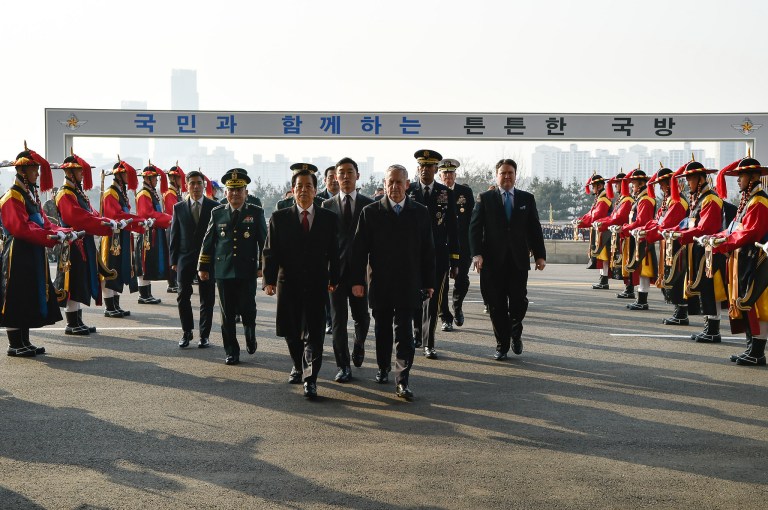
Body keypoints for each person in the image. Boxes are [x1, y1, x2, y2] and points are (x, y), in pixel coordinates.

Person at [351, 164, 435, 399]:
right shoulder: (371, 212)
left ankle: (402, 379)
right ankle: (382, 367)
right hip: (381, 283)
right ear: (385, 184)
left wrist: (429, 282)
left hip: (409, 283)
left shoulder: (420, 212)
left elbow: (428, 250)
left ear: (407, 184)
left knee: (405, 333)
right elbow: (359, 252)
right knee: (383, 330)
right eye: (390, 182)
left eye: (399, 182)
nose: (395, 186)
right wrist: (358, 281)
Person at [263, 163, 339, 398]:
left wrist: (334, 277)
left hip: (317, 283)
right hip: (289, 283)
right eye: (299, 186)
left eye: (308, 186)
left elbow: (335, 252)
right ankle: (297, 364)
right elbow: (270, 251)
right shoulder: (279, 218)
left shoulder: (328, 218)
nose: (303, 190)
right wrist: (269, 279)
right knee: (291, 330)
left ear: (316, 191)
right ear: (293, 190)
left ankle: (310, 378)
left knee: (315, 333)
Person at [469, 159, 546, 360]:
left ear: (515, 175)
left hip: (518, 261)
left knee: (519, 302)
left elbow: (534, 228)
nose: (507, 176)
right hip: (492, 262)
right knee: (496, 305)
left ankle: (515, 332)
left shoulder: (526, 199)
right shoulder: (485, 198)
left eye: (510, 173)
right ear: (497, 175)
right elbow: (475, 228)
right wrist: (476, 253)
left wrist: (540, 255)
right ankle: (502, 345)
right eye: (503, 173)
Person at [0, 144, 70, 356]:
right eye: (34, 170)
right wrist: (48, 237)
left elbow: (44, 223)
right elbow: (20, 227)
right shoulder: (12, 196)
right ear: (22, 171)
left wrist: (62, 231)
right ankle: (14, 344)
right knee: (16, 296)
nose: (37, 173)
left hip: (32, 250)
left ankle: (25, 341)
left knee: (28, 295)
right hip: (18, 252)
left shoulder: (30, 195)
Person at [199, 168, 266, 365]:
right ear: (226, 192)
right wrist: (203, 267)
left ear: (246, 192)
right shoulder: (217, 213)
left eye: (239, 190)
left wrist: (263, 266)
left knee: (248, 308)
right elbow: (208, 241)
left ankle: (250, 334)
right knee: (226, 313)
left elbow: (264, 243)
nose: (235, 194)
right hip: (223, 270)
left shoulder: (256, 212)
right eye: (231, 190)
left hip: (247, 270)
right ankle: (231, 351)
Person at [709, 155, 768, 366]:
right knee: (745, 302)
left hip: (756, 259)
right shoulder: (748, 201)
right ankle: (751, 348)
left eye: (741, 175)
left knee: (755, 303)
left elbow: (751, 232)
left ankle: (758, 351)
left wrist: (724, 244)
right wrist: (717, 237)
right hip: (743, 257)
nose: (738, 180)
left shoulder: (759, 201)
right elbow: (734, 228)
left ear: (753, 177)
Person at [54, 151, 120, 335]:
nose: (83, 174)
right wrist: (104, 225)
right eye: (80, 171)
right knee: (73, 282)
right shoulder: (65, 193)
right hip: (73, 244)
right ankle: (72, 323)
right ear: (70, 173)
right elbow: (78, 217)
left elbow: (92, 214)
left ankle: (78, 321)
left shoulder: (77, 193)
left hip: (83, 242)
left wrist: (105, 220)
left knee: (81, 280)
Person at [321, 157, 373, 383]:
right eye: (340, 173)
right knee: (338, 322)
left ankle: (359, 344)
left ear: (357, 176)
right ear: (335, 177)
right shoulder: (327, 205)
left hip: (361, 273)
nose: (345, 176)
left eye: (349, 172)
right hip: (336, 274)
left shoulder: (369, 205)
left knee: (362, 317)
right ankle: (343, 366)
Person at [664, 160, 725, 341]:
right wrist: (677, 232)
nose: (687, 182)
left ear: (700, 179)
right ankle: (709, 328)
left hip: (709, 251)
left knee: (711, 290)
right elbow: (690, 224)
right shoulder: (698, 199)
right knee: (705, 290)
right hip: (700, 249)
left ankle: (713, 330)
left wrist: (681, 235)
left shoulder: (710, 199)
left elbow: (704, 228)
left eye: (690, 179)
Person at [407, 149, 459, 359]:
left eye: (429, 166)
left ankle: (429, 342)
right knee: (414, 297)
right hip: (412, 255)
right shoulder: (408, 190)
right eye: (422, 166)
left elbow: (453, 228)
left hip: (437, 255)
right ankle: (417, 334)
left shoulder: (446, 193)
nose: (425, 170)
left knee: (433, 298)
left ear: (436, 169)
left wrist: (455, 259)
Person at [170, 170, 219, 349]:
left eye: (199, 183)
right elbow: (174, 235)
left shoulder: (214, 206)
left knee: (207, 298)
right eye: (192, 183)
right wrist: (173, 260)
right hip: (184, 258)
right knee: (183, 296)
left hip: (207, 258)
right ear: (187, 186)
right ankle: (186, 332)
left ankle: (204, 335)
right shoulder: (179, 207)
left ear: (204, 185)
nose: (196, 187)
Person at [641, 165, 689, 324]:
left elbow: (667, 223)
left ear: (670, 184)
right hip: (667, 244)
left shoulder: (678, 201)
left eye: (662, 184)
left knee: (676, 278)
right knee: (670, 277)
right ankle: (678, 311)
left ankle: (681, 313)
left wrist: (647, 234)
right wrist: (645, 228)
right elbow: (658, 221)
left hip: (676, 245)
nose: (661, 187)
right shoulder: (669, 201)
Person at [100, 158, 146, 318]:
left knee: (119, 270)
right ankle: (109, 306)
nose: (129, 178)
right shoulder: (110, 192)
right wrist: (137, 219)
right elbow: (116, 215)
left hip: (122, 235)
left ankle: (116, 305)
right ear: (119, 175)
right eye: (126, 174)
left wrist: (137, 220)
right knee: (110, 270)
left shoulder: (120, 192)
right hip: (112, 237)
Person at [437, 158, 475, 330]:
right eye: (445, 173)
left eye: (451, 173)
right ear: (440, 174)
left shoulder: (464, 193)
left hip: (462, 245)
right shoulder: (437, 192)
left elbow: (473, 221)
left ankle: (457, 306)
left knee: (462, 279)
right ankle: (445, 317)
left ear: (455, 174)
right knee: (441, 283)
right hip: (442, 245)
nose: (448, 176)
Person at [618, 169, 657, 311]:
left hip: (643, 238)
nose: (632, 187)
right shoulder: (640, 199)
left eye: (633, 184)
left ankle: (642, 300)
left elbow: (642, 221)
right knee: (641, 269)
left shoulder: (645, 199)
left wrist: (626, 227)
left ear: (640, 184)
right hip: (637, 237)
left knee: (644, 269)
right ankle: (640, 299)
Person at [134, 163, 172, 304]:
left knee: (149, 262)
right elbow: (147, 213)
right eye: (155, 178)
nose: (157, 180)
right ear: (148, 179)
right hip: (147, 232)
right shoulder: (144, 193)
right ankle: (143, 295)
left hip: (154, 231)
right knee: (144, 262)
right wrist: (168, 218)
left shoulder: (151, 192)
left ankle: (147, 293)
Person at [593, 172, 634, 296]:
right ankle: (628, 288)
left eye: (617, 184)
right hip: (620, 233)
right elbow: (613, 216)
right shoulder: (622, 200)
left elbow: (618, 218)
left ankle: (630, 289)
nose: (615, 186)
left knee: (629, 262)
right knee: (624, 262)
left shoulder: (627, 200)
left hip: (626, 234)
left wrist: (601, 221)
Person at [575, 173, 611, 288]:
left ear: (599, 186)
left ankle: (604, 280)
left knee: (604, 256)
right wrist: (580, 220)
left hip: (604, 231)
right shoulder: (599, 199)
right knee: (602, 256)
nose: (592, 189)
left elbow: (596, 216)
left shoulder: (603, 199)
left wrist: (582, 222)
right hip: (600, 230)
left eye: (594, 186)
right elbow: (590, 214)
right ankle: (602, 279)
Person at [163, 163, 186, 293]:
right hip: (171, 226)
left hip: (177, 226)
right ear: (173, 179)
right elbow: (173, 210)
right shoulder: (169, 192)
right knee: (172, 254)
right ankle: (171, 282)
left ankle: (175, 280)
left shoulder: (175, 192)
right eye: (179, 178)